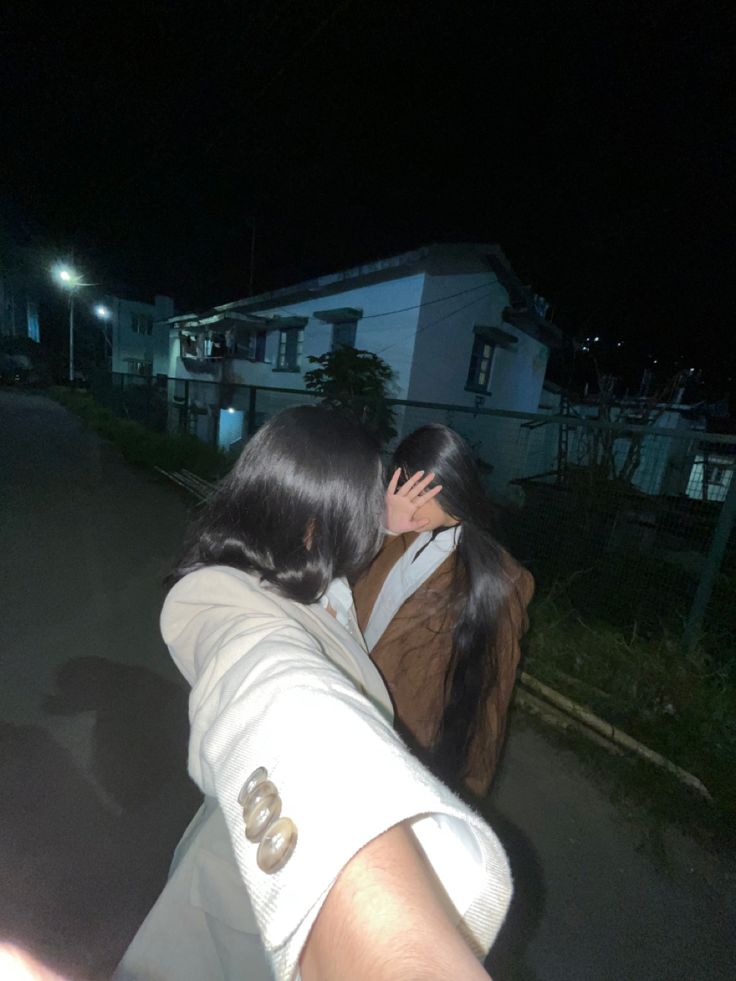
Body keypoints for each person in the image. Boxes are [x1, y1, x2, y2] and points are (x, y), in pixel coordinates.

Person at [115, 406, 512, 981]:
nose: (379, 513)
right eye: (366, 502)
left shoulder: (305, 572)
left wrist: (385, 526)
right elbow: (268, 675)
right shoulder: (220, 597)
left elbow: (483, 704)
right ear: (314, 521)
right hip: (248, 898)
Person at [353, 424, 534, 799]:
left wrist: (468, 795)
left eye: (418, 490)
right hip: (356, 714)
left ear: (450, 487)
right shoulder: (397, 535)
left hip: (408, 750)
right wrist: (385, 532)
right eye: (400, 486)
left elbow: (489, 704)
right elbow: (349, 602)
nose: (406, 500)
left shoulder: (499, 580)